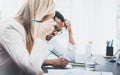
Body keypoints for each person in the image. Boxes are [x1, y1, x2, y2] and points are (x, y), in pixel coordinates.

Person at [0, 0, 56, 75]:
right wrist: (42, 34)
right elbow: (30, 69)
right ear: (42, 14)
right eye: (51, 17)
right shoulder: (11, 28)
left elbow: (34, 64)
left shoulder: (28, 30)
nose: (52, 21)